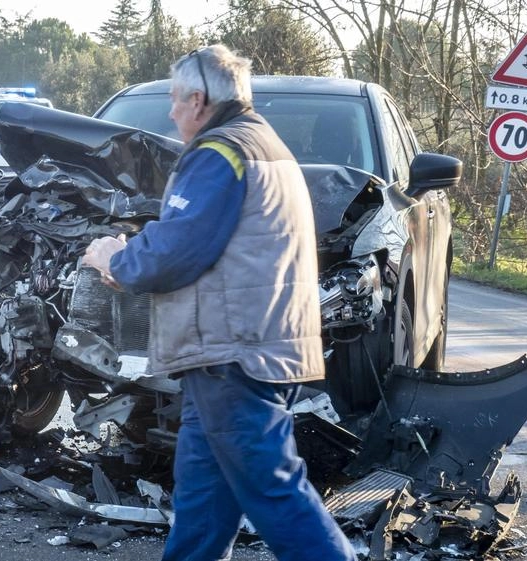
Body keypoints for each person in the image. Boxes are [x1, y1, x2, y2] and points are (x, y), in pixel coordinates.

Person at [82, 45, 356, 561]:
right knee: (203, 497)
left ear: (200, 99)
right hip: (250, 346)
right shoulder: (262, 144)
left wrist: (113, 258)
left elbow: (175, 250)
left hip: (234, 353)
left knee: (274, 491)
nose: (170, 112)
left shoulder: (218, 153)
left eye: (175, 101)